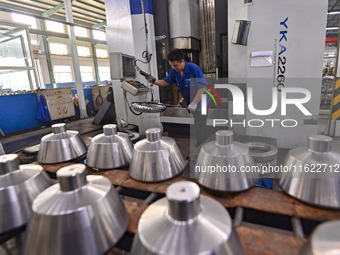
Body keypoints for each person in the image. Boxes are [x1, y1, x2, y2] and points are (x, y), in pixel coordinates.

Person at [144, 49, 212, 147]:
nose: (173, 67)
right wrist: (153, 80)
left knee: (200, 126)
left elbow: (202, 88)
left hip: (202, 101)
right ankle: (200, 146)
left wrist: (195, 103)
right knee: (197, 125)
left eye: (175, 65)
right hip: (192, 101)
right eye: (171, 65)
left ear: (183, 61)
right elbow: (165, 82)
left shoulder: (194, 69)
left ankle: (201, 149)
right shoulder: (174, 71)